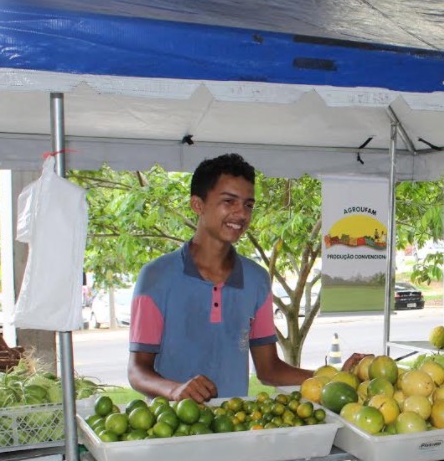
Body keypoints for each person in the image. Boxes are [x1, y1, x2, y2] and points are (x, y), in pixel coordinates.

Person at [128, 153, 313, 401]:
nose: (241, 214)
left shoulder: (257, 279)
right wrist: (175, 390)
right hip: (171, 431)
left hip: (233, 429)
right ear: (198, 205)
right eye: (229, 201)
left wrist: (333, 377)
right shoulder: (156, 276)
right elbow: (137, 371)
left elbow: (269, 370)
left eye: (248, 204)